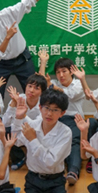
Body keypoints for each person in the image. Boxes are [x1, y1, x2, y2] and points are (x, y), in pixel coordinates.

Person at [11, 89, 71, 193]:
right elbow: (17, 141)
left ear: (62, 113)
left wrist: (32, 140)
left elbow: (50, 161)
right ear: (40, 108)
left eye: (55, 110)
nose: (49, 113)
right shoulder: (33, 125)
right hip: (34, 180)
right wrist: (19, 118)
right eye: (46, 108)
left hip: (55, 181)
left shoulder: (66, 131)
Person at [38, 52, 84, 185]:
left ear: (71, 72)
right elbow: (41, 82)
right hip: (55, 118)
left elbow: (70, 95)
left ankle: (73, 171)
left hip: (74, 119)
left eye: (64, 71)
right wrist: (43, 62)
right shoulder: (53, 83)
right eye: (58, 72)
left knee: (74, 142)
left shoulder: (78, 84)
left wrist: (52, 87)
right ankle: (51, 169)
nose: (61, 75)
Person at [2, 74, 47, 170]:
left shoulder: (44, 104)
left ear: (42, 92)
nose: (31, 90)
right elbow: (5, 123)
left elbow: (36, 124)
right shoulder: (19, 98)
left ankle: (39, 159)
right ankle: (19, 158)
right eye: (29, 86)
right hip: (18, 129)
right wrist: (13, 104)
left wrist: (22, 114)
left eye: (36, 88)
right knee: (4, 131)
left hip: (36, 131)